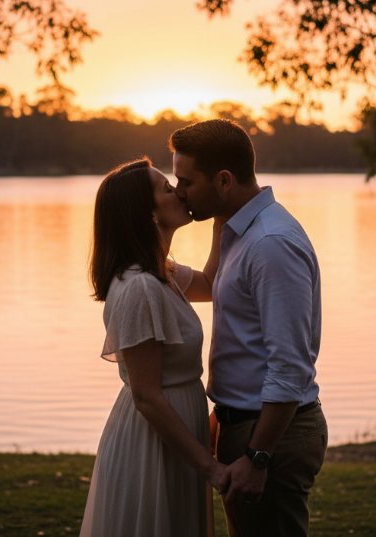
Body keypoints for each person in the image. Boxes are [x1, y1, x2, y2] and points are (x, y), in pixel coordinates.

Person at [170, 119, 327, 537]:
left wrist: (259, 457)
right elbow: (210, 285)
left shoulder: (270, 244)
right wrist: (152, 265)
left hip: (273, 436)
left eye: (185, 181)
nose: (178, 192)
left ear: (223, 180)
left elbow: (289, 367)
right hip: (242, 424)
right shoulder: (234, 225)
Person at [80, 157, 228, 537]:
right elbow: (147, 396)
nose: (178, 191)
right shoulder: (140, 287)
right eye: (166, 188)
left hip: (177, 429)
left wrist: (222, 212)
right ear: (148, 215)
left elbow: (212, 283)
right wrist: (209, 467)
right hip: (154, 441)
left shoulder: (163, 272)